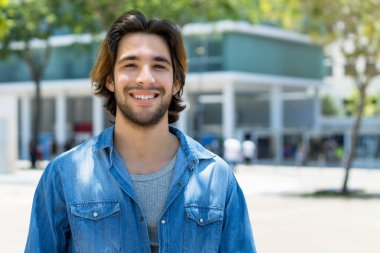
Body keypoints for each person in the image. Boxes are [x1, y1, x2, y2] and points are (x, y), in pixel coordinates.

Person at [25, 10, 256, 253]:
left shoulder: (217, 179)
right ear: (110, 79)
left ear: (176, 82)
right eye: (131, 65)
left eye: (158, 65)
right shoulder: (63, 175)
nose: (145, 78)